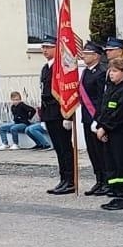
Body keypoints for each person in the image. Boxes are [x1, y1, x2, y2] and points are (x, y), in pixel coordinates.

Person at [94, 58, 123, 210]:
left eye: (115, 71)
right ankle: (115, 192)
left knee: (122, 165)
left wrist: (105, 127)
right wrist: (101, 126)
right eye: (110, 71)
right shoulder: (112, 88)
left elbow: (119, 114)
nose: (111, 74)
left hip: (122, 134)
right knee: (111, 164)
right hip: (110, 133)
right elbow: (105, 110)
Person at [36, 39, 76, 194]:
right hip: (49, 113)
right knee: (58, 148)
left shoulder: (60, 67)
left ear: (56, 48)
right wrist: (43, 117)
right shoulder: (46, 67)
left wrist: (68, 116)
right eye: (43, 47)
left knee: (65, 147)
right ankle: (63, 179)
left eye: (48, 47)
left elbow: (67, 91)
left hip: (60, 113)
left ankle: (70, 180)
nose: (44, 50)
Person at [79, 42, 111, 195]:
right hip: (87, 117)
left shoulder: (102, 72)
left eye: (87, 53)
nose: (83, 56)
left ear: (97, 55)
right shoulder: (86, 72)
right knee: (92, 151)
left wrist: (98, 119)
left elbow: (102, 98)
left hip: (97, 117)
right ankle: (98, 179)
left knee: (101, 152)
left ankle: (107, 181)